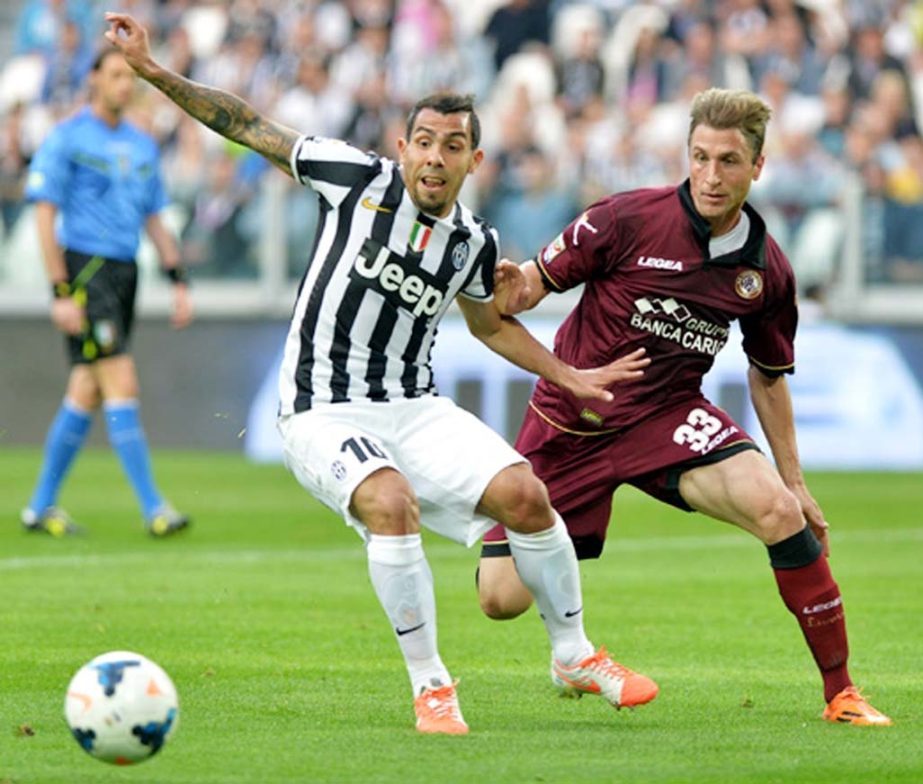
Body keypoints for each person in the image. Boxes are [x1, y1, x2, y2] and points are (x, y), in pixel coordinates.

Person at [104, 12, 659, 736]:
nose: (434, 158)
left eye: (451, 147)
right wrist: (152, 72)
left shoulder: (471, 243)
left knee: (526, 495)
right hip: (320, 409)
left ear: (474, 161)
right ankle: (431, 686)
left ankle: (573, 654)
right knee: (390, 503)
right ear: (402, 147)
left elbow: (490, 322)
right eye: (423, 143)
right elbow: (246, 124)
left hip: (411, 406)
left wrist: (569, 374)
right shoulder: (354, 179)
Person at [477, 87, 893, 727]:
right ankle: (568, 655)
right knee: (498, 600)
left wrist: (796, 479)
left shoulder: (766, 271)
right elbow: (534, 283)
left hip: (667, 417)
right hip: (571, 419)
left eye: (728, 161)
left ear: (758, 166)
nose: (710, 175)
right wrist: (515, 287)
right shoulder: (624, 219)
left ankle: (841, 693)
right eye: (699, 157)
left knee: (780, 512)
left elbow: (770, 375)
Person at [21, 46, 193, 538]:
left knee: (87, 387)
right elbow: (44, 213)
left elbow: (155, 217)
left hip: (125, 273)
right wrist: (59, 290)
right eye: (115, 74)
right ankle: (155, 508)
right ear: (93, 79)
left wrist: (178, 279)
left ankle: (39, 507)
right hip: (86, 270)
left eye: (130, 76)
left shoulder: (142, 146)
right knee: (121, 379)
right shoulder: (68, 138)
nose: (124, 84)